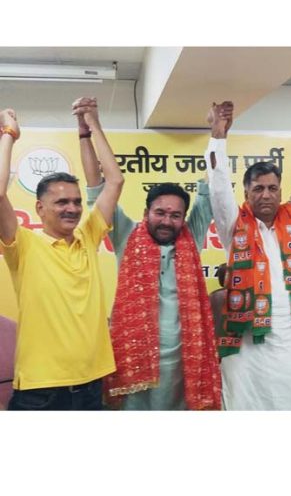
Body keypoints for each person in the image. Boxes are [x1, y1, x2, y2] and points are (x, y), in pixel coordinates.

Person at [81, 110, 221, 410]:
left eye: (175, 215)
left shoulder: (191, 236)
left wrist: (218, 135)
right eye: (160, 213)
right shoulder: (126, 235)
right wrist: (87, 130)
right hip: (134, 360)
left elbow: (209, 188)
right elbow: (98, 190)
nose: (167, 221)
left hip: (185, 364)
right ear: (146, 214)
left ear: (184, 218)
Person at [204, 85, 291, 410]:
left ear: (280, 191)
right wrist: (218, 137)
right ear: (246, 193)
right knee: (248, 403)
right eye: (257, 189)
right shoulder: (235, 227)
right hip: (250, 344)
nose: (266, 195)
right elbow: (218, 187)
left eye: (272, 188)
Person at [0, 98, 124, 410]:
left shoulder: (87, 236)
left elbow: (115, 180)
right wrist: (8, 135)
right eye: (61, 202)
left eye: (76, 202)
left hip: (90, 385)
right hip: (40, 391)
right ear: (40, 208)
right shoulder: (23, 244)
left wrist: (90, 127)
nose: (72, 209)